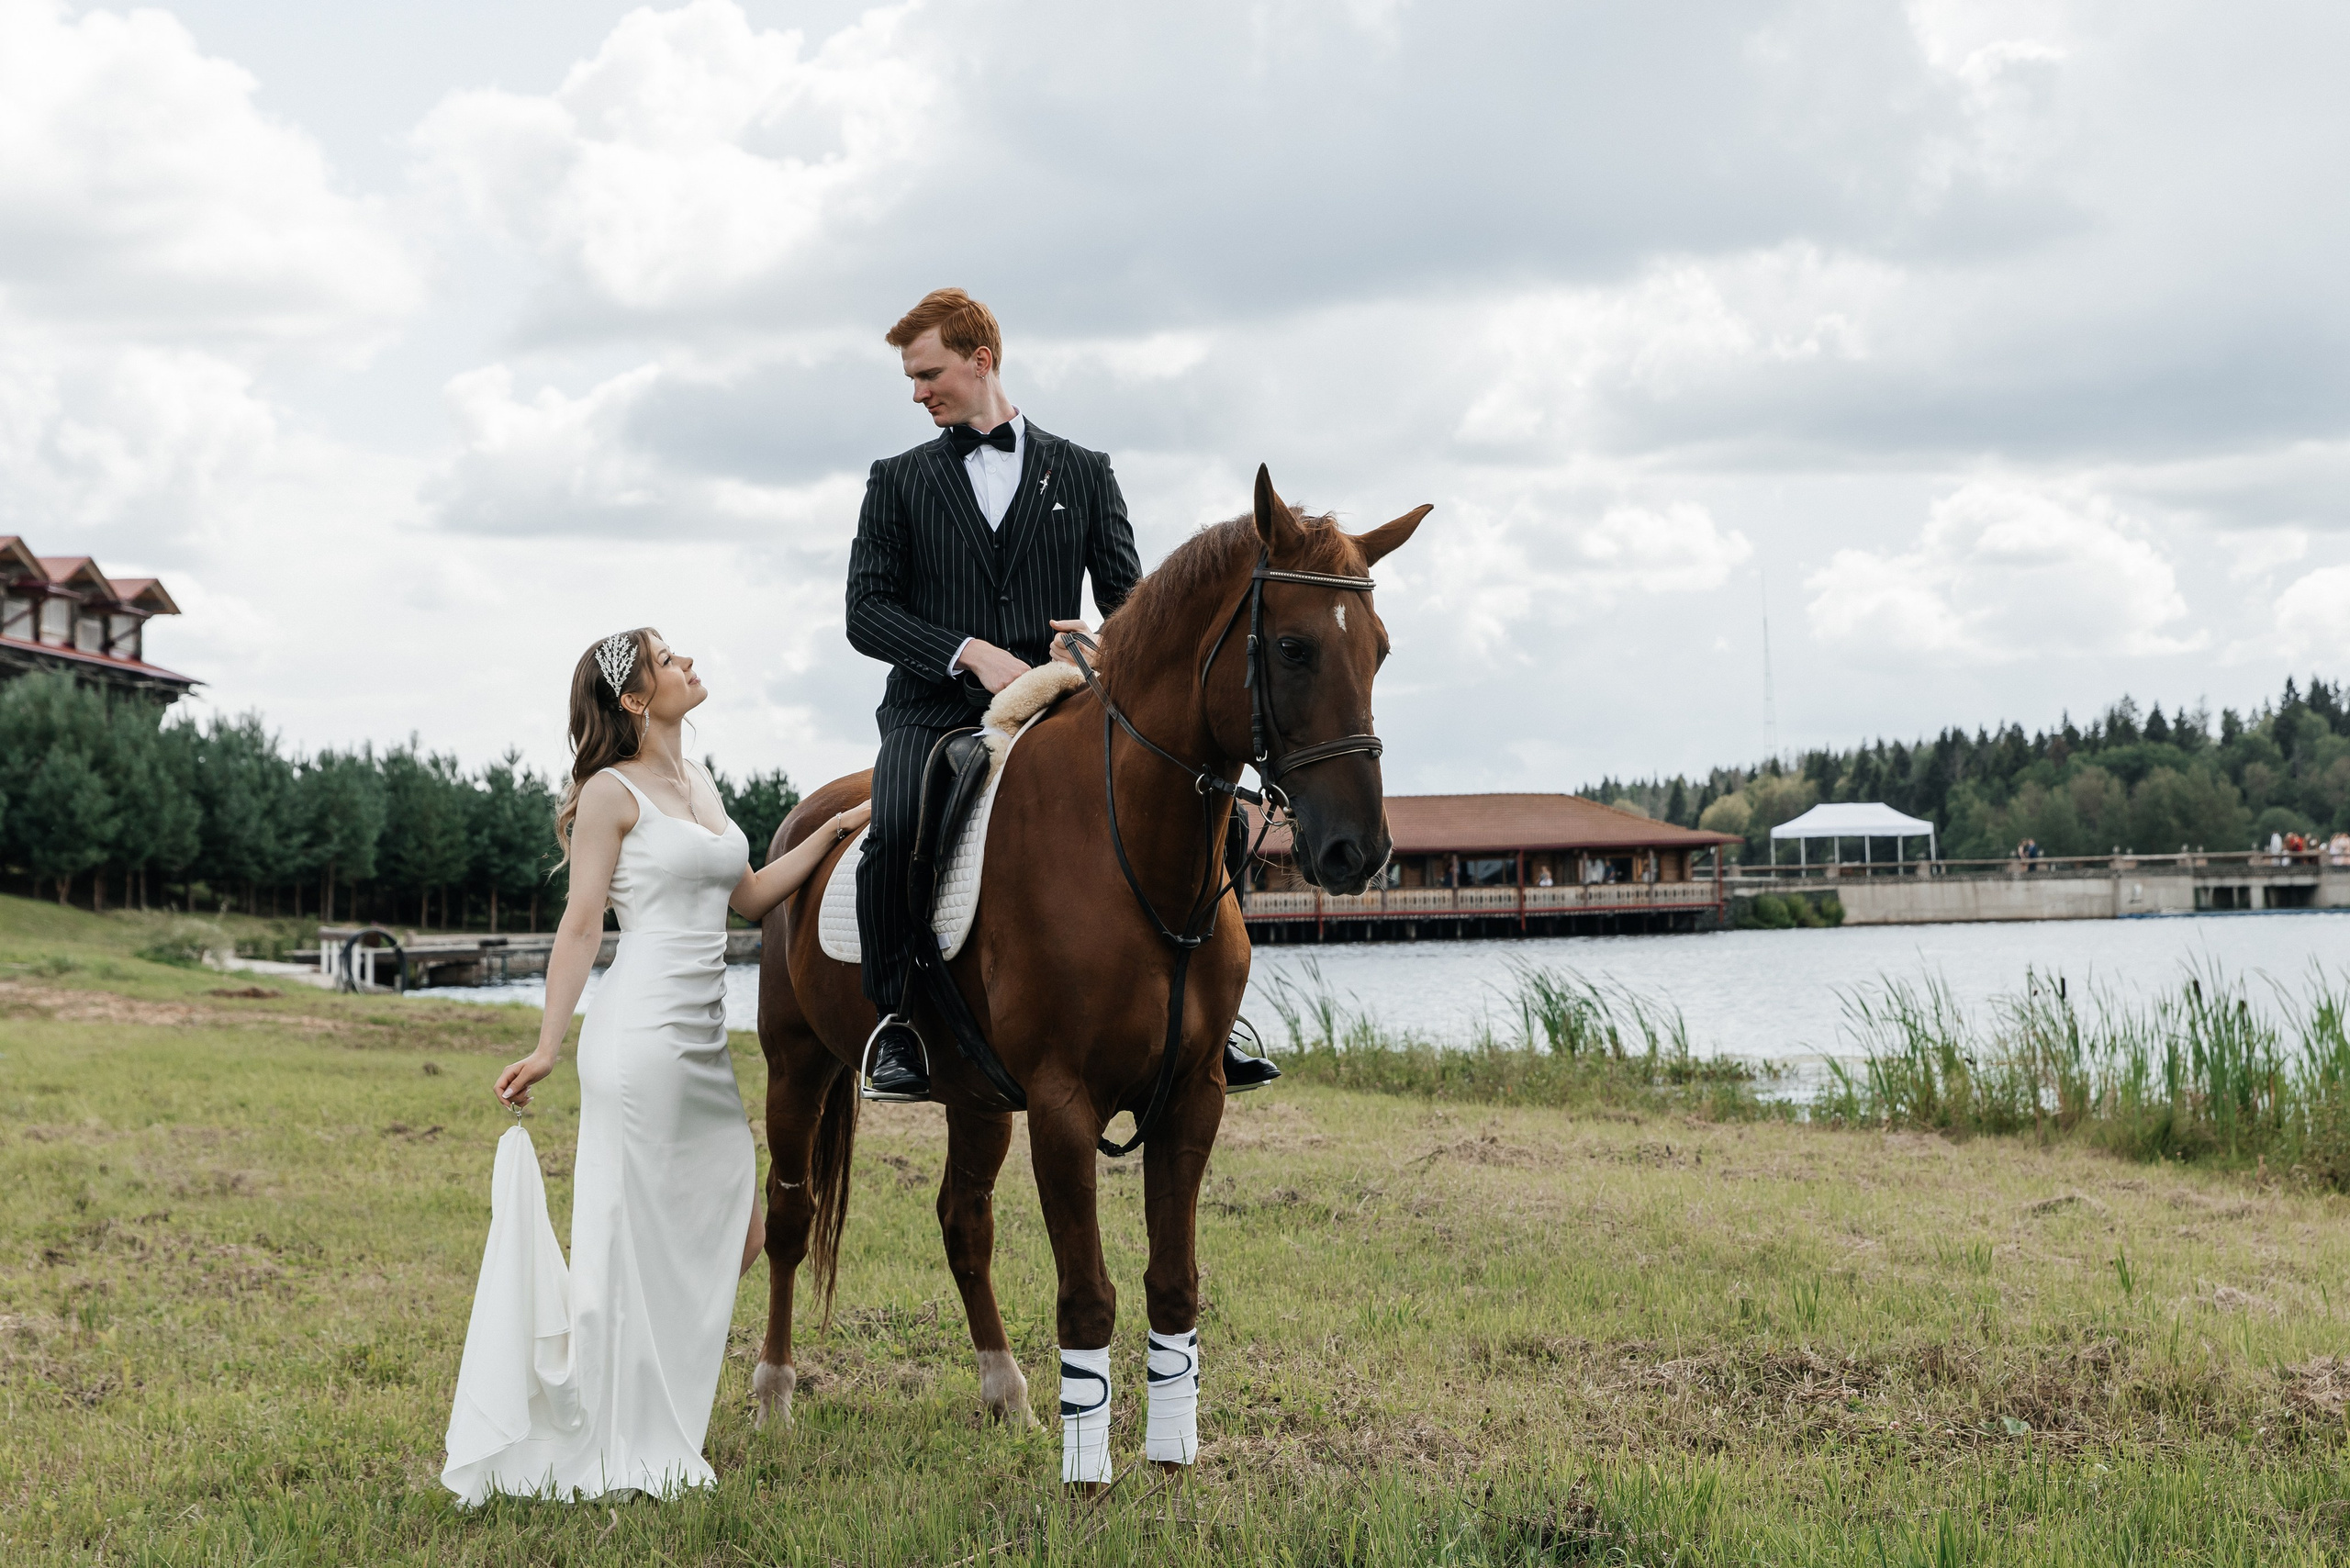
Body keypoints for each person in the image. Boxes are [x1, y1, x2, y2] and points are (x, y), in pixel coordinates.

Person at [446, 628, 869, 1504]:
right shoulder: (609, 793)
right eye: (669, 659)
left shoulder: (699, 784)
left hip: (703, 1050)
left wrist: (832, 829)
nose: (688, 662)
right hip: (637, 1043)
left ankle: (650, 1396)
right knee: (633, 1241)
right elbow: (581, 923)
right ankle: (613, 1422)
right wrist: (547, 1044)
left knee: (738, 1228)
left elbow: (749, 897)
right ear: (636, 699)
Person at [845, 287, 1279, 1100]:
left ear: (982, 361)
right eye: (910, 378)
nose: (916, 393)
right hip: (932, 711)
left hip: (1063, 702)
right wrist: (967, 653)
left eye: (928, 372)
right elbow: (864, 613)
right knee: (895, 827)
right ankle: (897, 1022)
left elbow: (1133, 606)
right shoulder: (895, 480)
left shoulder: (1085, 472)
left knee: (1213, 805)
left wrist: (1101, 642)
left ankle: (1219, 1016)